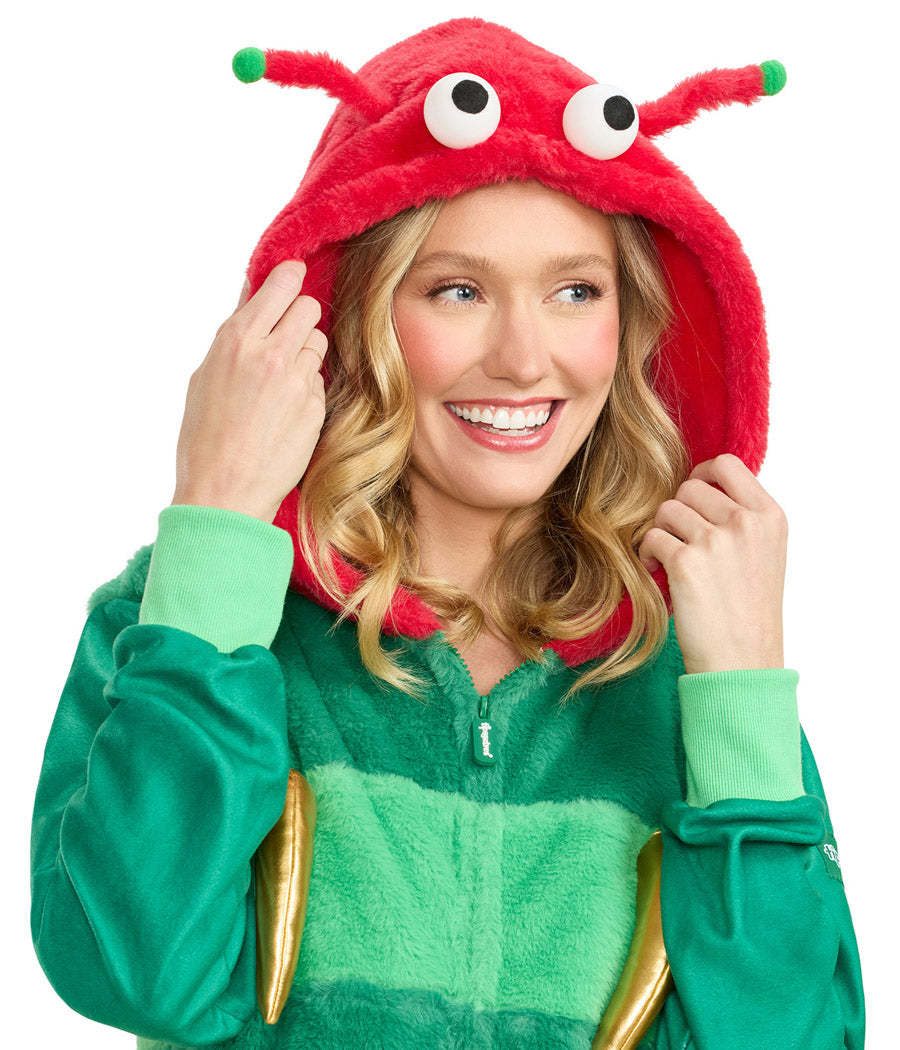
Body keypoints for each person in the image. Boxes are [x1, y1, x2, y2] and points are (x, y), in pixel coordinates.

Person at [29, 16, 865, 1050]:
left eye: (576, 291)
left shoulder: (683, 667)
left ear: (632, 324)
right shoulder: (193, 615)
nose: (524, 360)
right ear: (349, 312)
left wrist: (742, 695)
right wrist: (219, 518)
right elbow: (132, 970)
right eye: (457, 290)